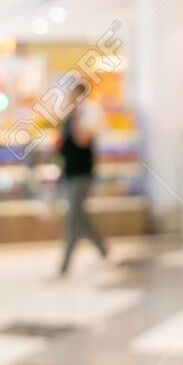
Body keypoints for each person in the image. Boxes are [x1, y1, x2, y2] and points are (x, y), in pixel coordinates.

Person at [58, 81, 108, 275]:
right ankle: (103, 248)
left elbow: (82, 140)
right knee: (79, 217)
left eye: (74, 94)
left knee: (73, 218)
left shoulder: (88, 114)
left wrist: (77, 113)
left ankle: (65, 265)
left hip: (82, 173)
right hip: (70, 172)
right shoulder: (70, 116)